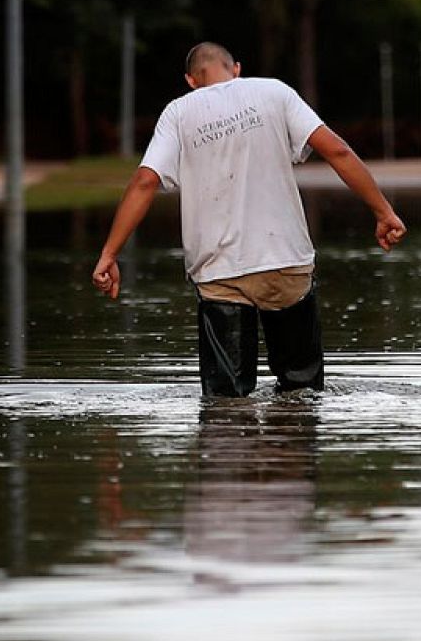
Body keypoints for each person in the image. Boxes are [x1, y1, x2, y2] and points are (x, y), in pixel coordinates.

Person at [90, 42, 405, 397]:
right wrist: (384, 211)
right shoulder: (274, 92)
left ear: (190, 80)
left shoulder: (178, 112)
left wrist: (109, 254)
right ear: (236, 68)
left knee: (225, 404)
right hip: (285, 261)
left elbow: (145, 181)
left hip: (219, 271)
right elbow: (337, 150)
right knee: (302, 392)